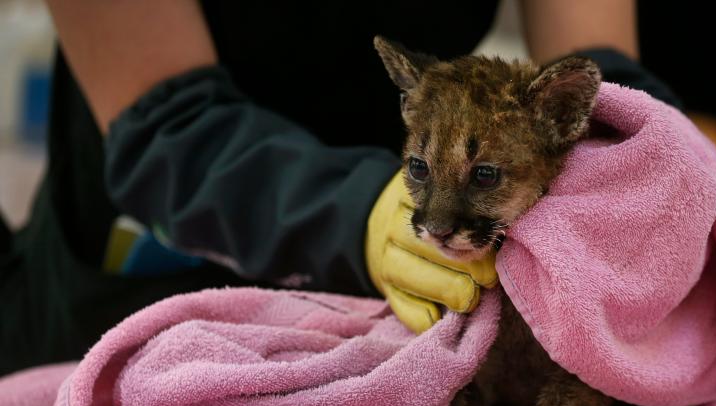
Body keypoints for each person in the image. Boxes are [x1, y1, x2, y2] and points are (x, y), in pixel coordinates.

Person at [0, 0, 680, 376]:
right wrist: (357, 213)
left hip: (420, 311)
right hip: (157, 269)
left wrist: (655, 174)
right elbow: (163, 126)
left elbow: (600, 83)